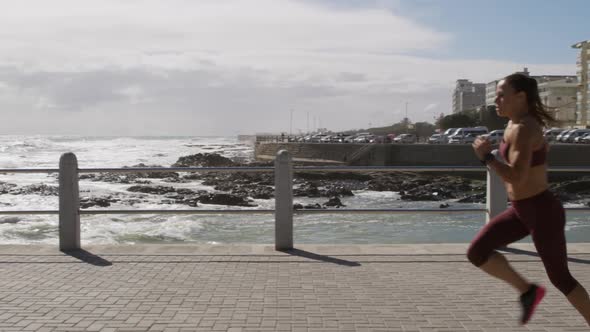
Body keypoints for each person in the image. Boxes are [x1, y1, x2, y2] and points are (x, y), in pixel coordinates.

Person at [468, 73, 590, 326]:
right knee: (478, 252)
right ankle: (528, 291)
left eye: (502, 95)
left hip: (542, 210)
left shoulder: (524, 128)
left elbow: (517, 178)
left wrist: (486, 157)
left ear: (520, 96)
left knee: (561, 278)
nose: (497, 101)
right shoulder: (514, 124)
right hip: (521, 210)